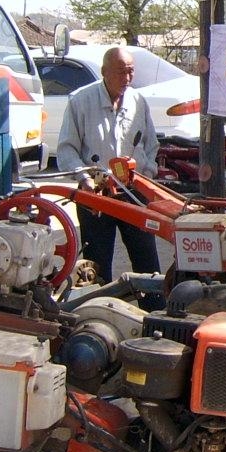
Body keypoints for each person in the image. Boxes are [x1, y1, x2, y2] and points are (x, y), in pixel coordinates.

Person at [56, 46, 160, 283]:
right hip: (95, 196)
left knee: (147, 260)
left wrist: (147, 177)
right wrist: (84, 180)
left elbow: (151, 145)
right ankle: (96, 309)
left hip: (133, 194)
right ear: (104, 72)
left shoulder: (138, 101)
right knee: (96, 263)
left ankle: (154, 313)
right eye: (121, 72)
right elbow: (66, 149)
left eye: (131, 72)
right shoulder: (81, 101)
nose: (127, 78)